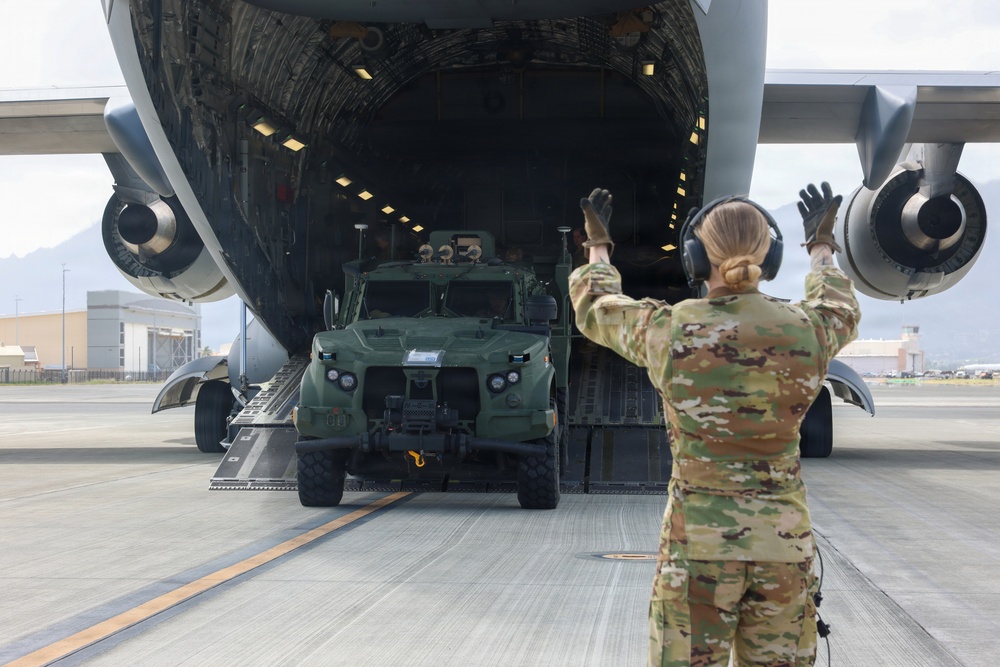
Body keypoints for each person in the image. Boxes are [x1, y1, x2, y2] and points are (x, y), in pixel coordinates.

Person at [569, 184, 860, 666]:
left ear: (695, 258)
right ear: (770, 259)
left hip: (696, 548)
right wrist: (822, 250)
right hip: (783, 547)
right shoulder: (808, 329)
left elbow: (596, 306)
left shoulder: (670, 329)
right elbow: (841, 310)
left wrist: (598, 247)